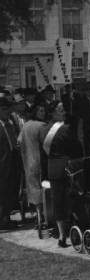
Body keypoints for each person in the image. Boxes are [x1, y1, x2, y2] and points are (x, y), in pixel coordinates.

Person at [41, 101, 82, 247]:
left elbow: (43, 155)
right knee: (70, 201)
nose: (64, 112)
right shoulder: (66, 129)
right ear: (52, 113)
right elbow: (77, 149)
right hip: (67, 168)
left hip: (52, 169)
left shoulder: (43, 129)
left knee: (57, 202)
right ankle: (74, 234)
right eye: (60, 110)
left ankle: (62, 236)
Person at [17, 104, 47, 223]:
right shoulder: (42, 126)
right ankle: (43, 215)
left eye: (44, 110)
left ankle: (38, 214)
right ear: (35, 112)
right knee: (43, 187)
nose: (43, 113)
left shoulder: (25, 126)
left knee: (33, 187)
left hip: (29, 162)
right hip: (41, 162)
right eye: (41, 110)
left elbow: (18, 142)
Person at [0, 97, 21, 230]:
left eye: (8, 109)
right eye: (3, 109)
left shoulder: (11, 123)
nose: (7, 112)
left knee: (10, 192)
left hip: (13, 162)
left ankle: (6, 218)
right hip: (1, 165)